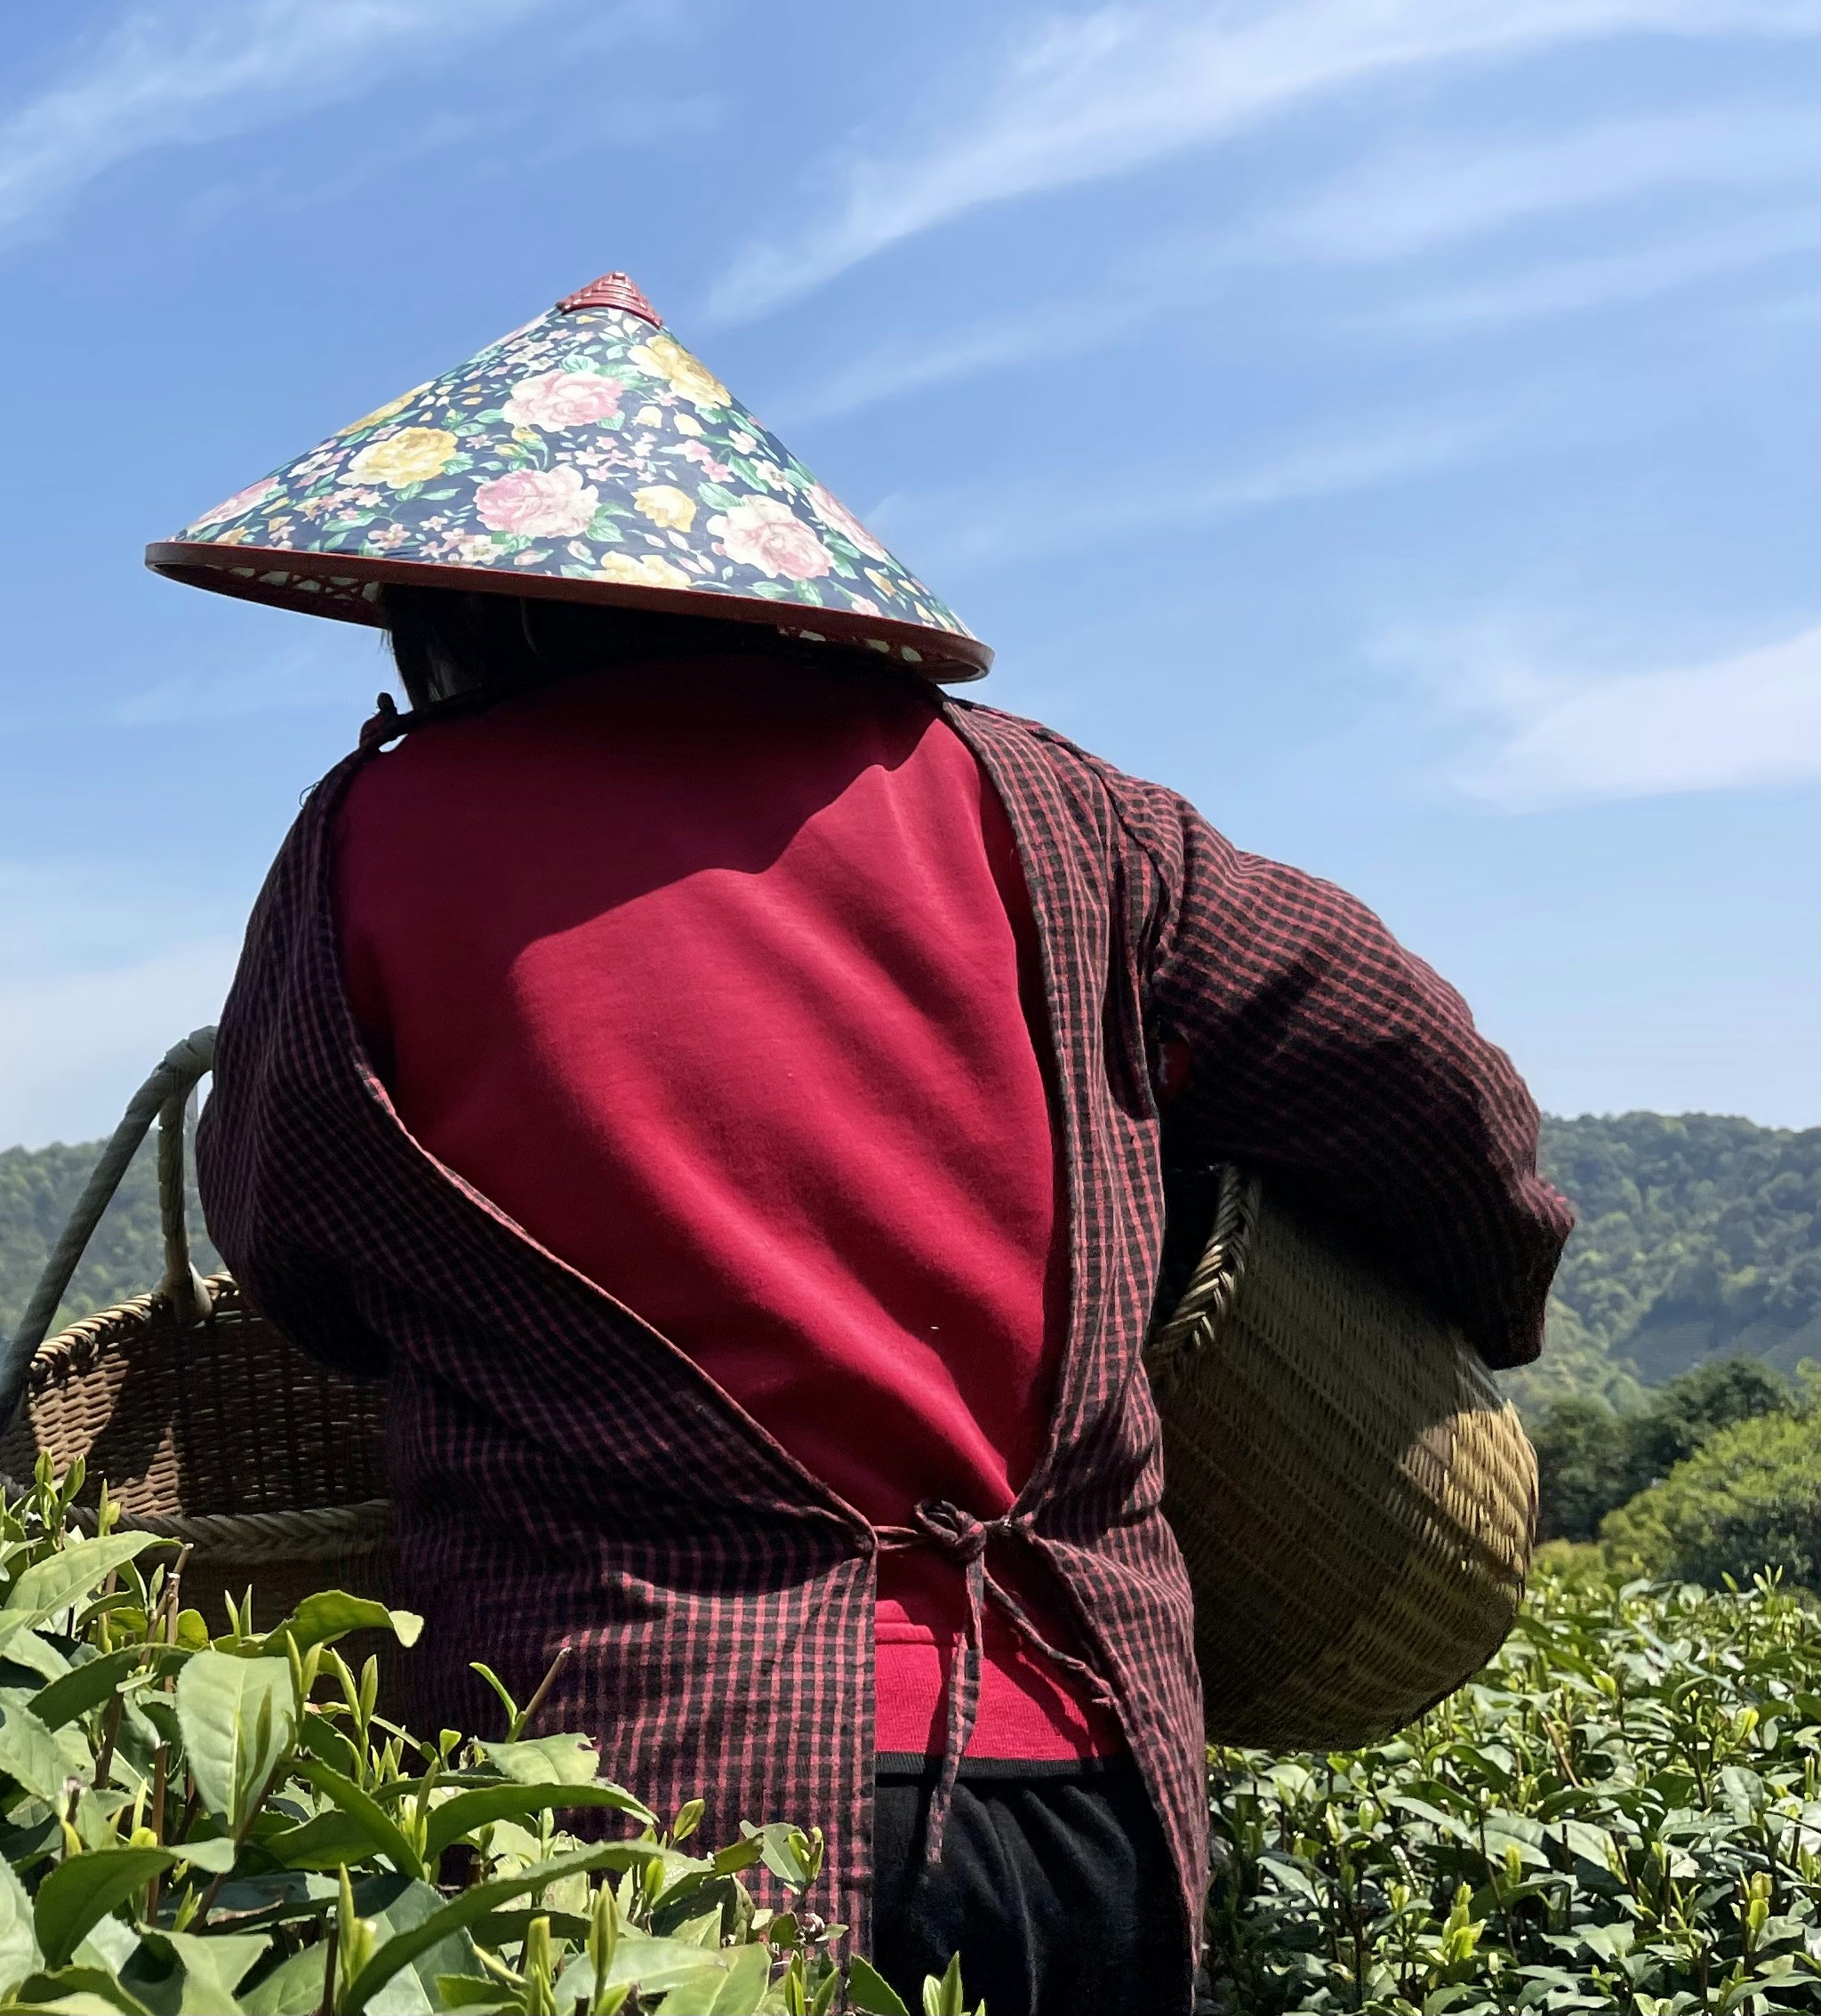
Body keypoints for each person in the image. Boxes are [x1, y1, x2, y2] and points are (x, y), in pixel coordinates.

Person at [155, 273, 1572, 2012]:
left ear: (446, 610)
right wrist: (1477, 1298)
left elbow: (285, 1221)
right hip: (1088, 1784)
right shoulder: (1060, 814)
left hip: (620, 1820)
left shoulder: (378, 837)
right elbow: (1424, 1085)